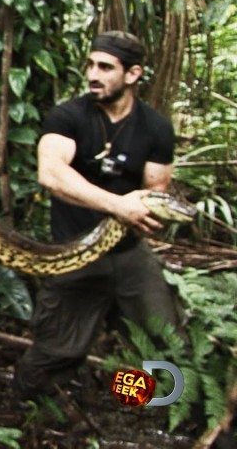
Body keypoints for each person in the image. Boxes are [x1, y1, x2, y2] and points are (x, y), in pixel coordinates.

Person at [13, 31, 181, 398]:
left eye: (105, 67)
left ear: (133, 74)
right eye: (90, 64)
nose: (92, 74)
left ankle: (137, 402)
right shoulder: (67, 117)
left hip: (130, 254)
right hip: (74, 253)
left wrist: (154, 212)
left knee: (166, 347)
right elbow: (51, 174)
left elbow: (156, 193)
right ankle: (29, 411)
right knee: (55, 354)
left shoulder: (156, 128)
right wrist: (119, 205)